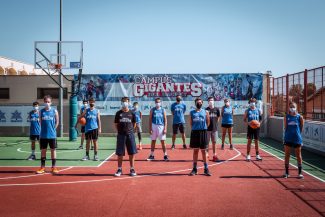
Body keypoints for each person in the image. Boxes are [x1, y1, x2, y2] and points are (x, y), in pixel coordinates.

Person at [114, 97, 138, 177]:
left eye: (126, 102)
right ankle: (119, 169)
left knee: (132, 153)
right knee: (120, 153)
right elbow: (116, 124)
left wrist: (130, 131)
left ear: (129, 103)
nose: (125, 103)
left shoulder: (132, 113)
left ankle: (132, 168)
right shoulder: (118, 113)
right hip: (121, 135)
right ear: (121, 103)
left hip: (130, 135)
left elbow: (134, 124)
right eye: (123, 102)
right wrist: (120, 131)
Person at [36, 95, 59, 174]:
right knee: (43, 151)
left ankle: (54, 167)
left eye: (48, 102)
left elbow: (57, 122)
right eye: (45, 102)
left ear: (51, 103)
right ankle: (42, 167)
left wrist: (53, 129)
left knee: (53, 150)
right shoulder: (41, 111)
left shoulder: (54, 111)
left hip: (52, 135)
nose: (47, 103)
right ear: (44, 102)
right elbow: (40, 122)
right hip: (43, 135)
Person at [189, 98, 211, 176]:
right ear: (195, 103)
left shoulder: (206, 112)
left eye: (200, 102)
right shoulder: (191, 112)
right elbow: (191, 123)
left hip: (203, 132)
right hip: (195, 132)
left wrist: (203, 128)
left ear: (202, 103)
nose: (199, 103)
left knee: (204, 151)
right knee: (195, 151)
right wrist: (195, 128)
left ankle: (206, 169)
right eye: (198, 102)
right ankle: (195, 169)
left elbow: (208, 122)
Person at [283, 102, 304, 179]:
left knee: (298, 155)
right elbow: (285, 127)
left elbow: (301, 127)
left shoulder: (300, 117)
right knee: (287, 155)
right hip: (288, 138)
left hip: (297, 138)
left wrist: (297, 134)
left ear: (296, 107)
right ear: (289, 108)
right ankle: (286, 172)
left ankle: (300, 173)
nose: (292, 108)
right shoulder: (286, 117)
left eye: (293, 107)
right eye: (291, 107)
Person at [206, 97, 220, 162]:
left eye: (212, 100)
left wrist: (216, 122)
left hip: (214, 129)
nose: (211, 101)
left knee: (214, 142)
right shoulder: (206, 109)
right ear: (208, 102)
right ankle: (206, 155)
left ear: (214, 101)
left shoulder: (217, 109)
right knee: (207, 143)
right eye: (209, 100)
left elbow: (218, 116)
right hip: (207, 129)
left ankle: (214, 155)